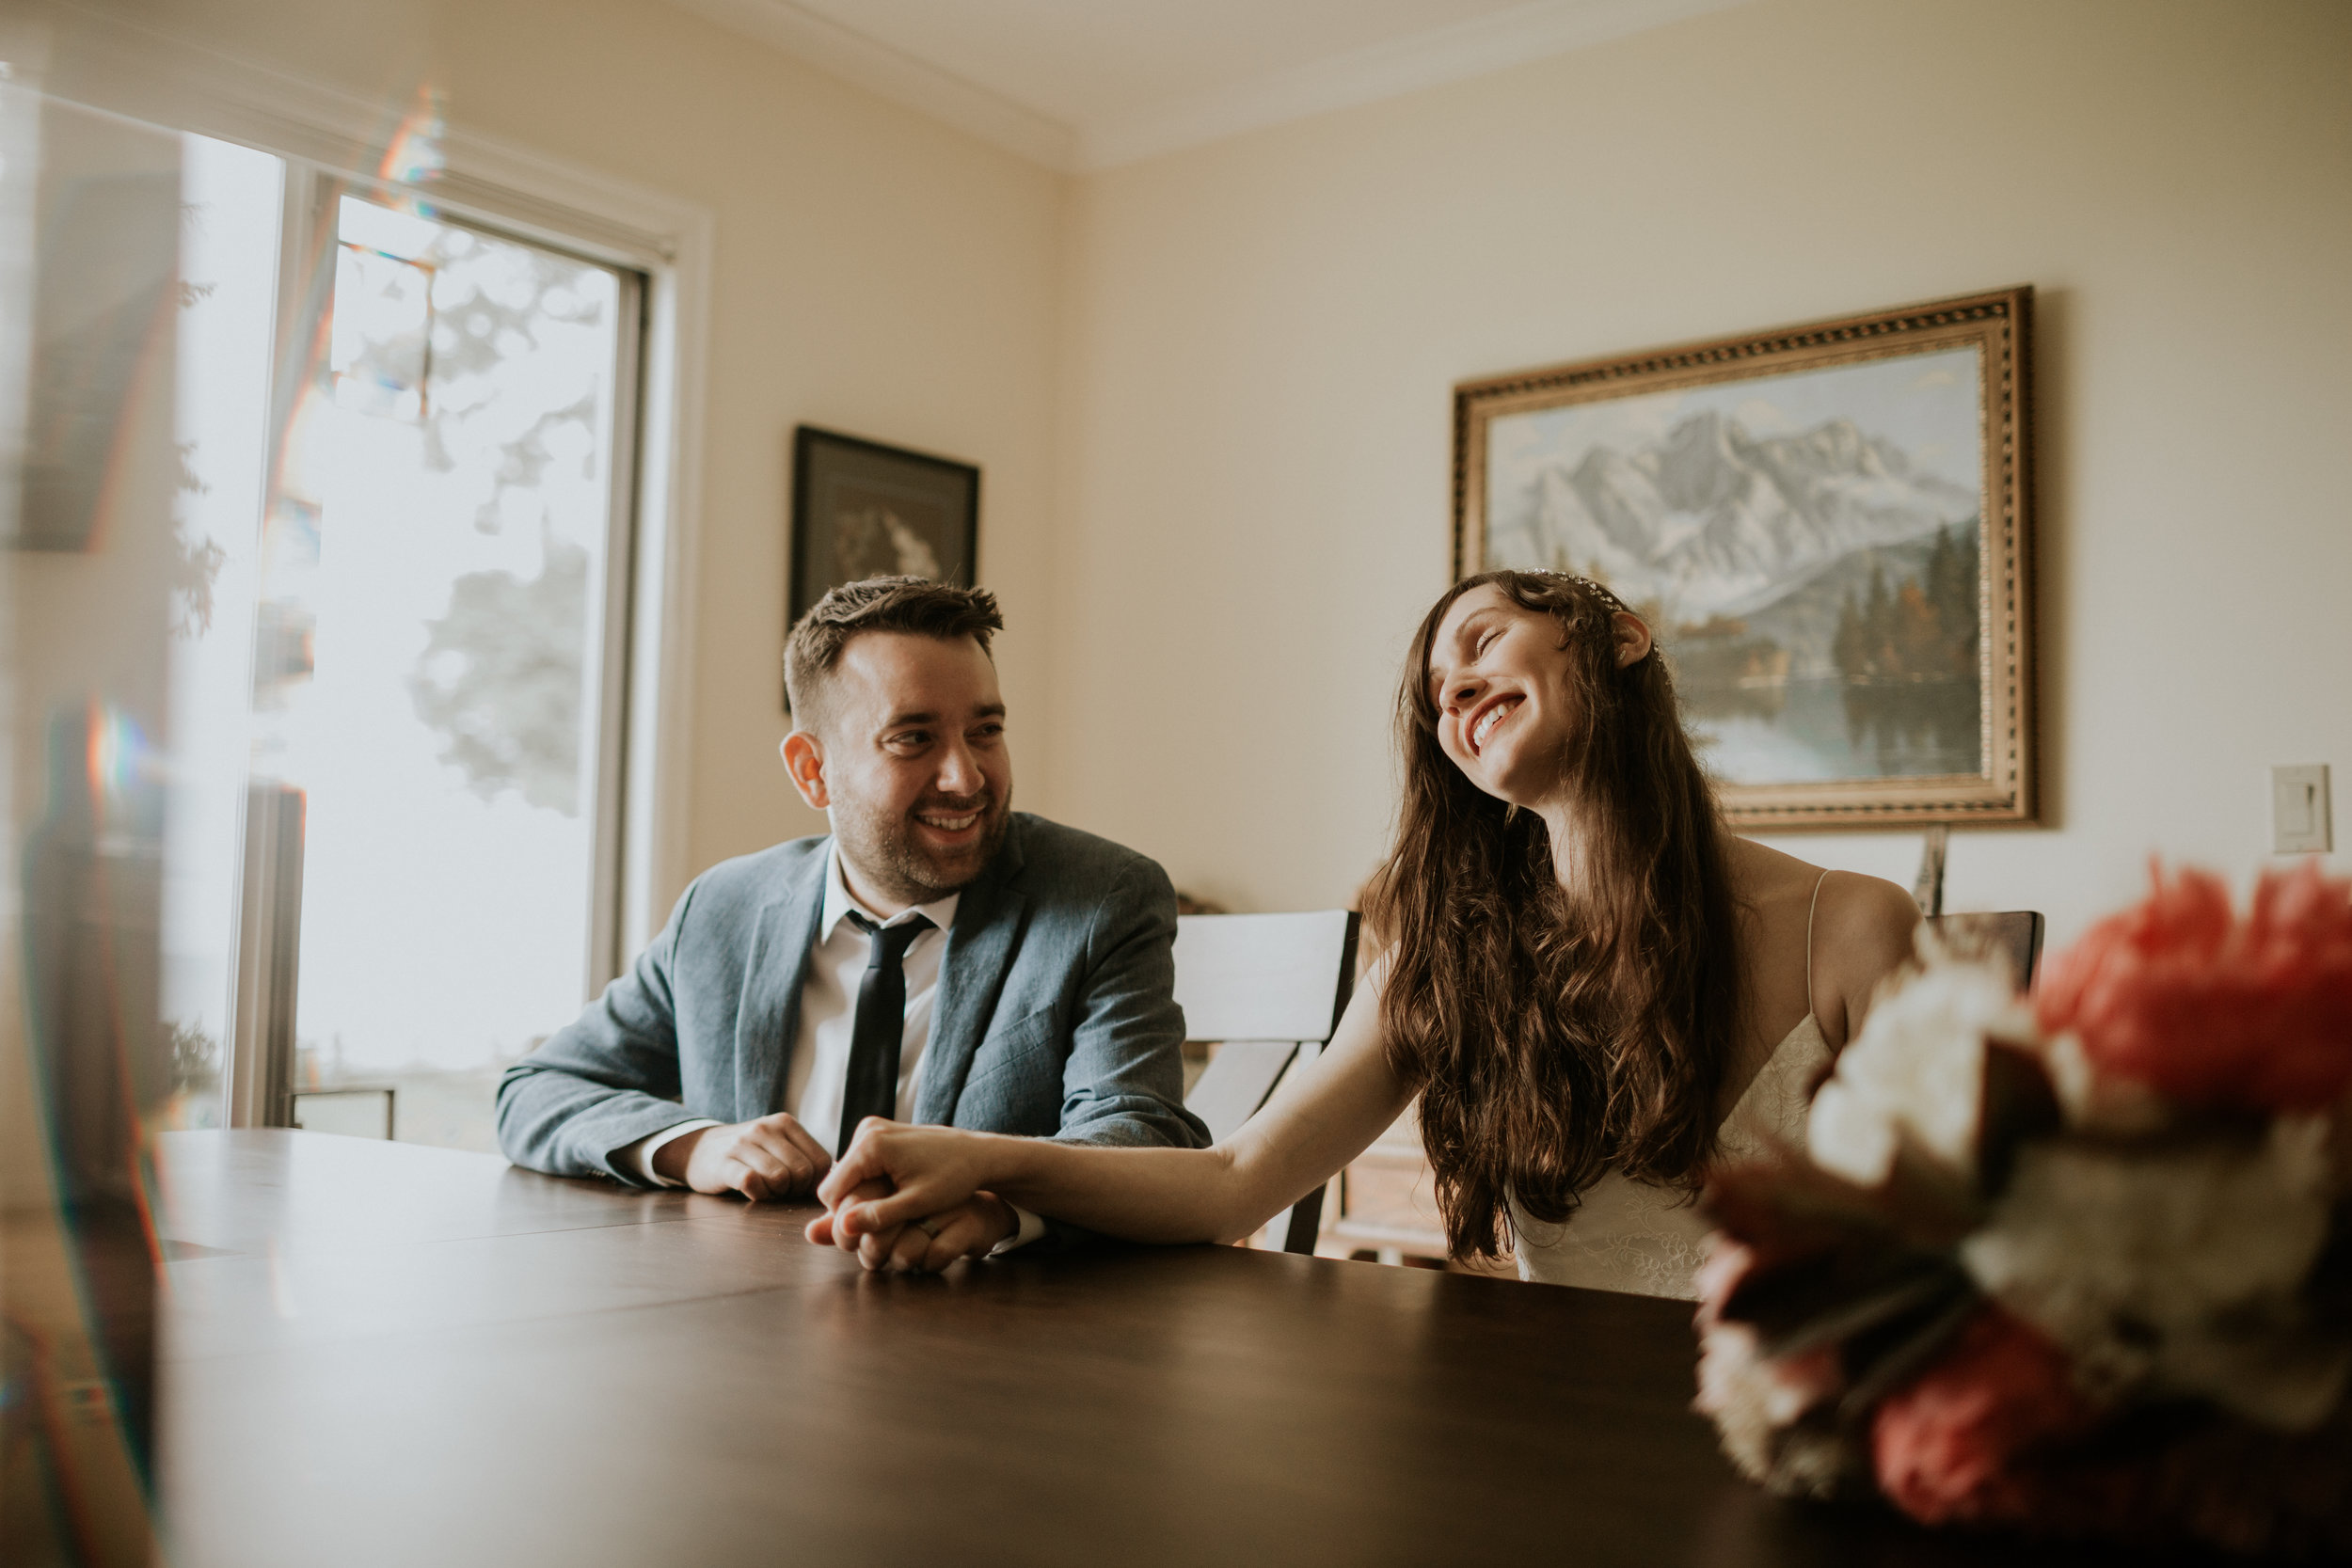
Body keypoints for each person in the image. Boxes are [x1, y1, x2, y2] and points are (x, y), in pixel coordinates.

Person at [807, 570, 1919, 1294]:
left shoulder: (1852, 926)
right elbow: (1235, 1177)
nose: (1457, 690)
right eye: (1436, 689)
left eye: (1483, 640)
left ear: (1619, 636)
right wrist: (985, 1158)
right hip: (1551, 1425)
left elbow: (1969, 1250)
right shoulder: (1451, 953)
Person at [498, 577, 1207, 1260]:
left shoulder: (1105, 897)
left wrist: (997, 1207)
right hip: (745, 1322)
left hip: (1000, 1334)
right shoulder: (723, 909)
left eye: (985, 730)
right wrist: (696, 1145)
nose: (966, 778)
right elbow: (536, 1090)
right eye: (913, 738)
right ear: (813, 770)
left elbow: (1139, 1134)